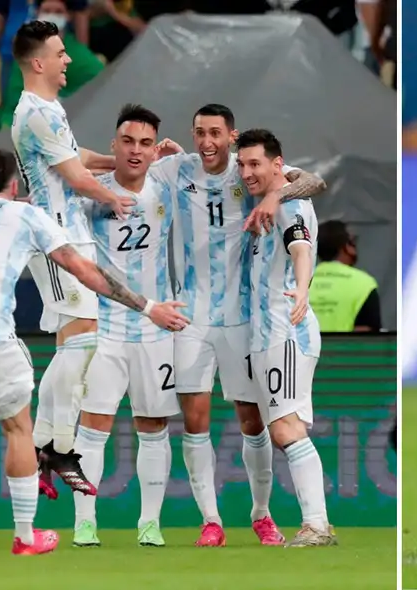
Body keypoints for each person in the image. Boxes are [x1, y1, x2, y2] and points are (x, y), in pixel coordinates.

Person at [0, 149, 188, 555]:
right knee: (19, 430)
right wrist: (148, 306)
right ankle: (26, 536)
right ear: (14, 185)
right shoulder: (26, 216)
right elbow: (83, 270)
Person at [149, 104, 326, 547]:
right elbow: (126, 174)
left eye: (215, 133)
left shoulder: (260, 178)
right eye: (198, 133)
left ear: (232, 135)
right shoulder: (177, 169)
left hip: (248, 322)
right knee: (195, 420)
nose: (206, 142)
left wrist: (274, 196)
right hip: (191, 316)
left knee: (258, 422)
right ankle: (211, 520)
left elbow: (312, 184)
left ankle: (264, 515)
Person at [10, 19, 138, 499]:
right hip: (55, 237)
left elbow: (74, 157)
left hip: (69, 234)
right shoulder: (35, 113)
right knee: (81, 339)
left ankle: (48, 447)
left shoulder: (47, 108)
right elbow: (74, 175)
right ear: (38, 62)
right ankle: (54, 445)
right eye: (61, 53)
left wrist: (119, 164)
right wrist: (117, 197)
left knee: (78, 339)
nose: (68, 59)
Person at [71, 104, 179, 548]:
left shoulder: (169, 188)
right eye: (128, 142)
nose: (136, 151)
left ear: (156, 150)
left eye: (145, 144)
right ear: (114, 145)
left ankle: (149, 522)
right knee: (91, 428)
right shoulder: (89, 193)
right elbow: (52, 161)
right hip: (106, 327)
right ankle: (84, 522)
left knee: (153, 428)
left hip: (157, 330)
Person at [238, 128, 335, 548]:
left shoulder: (291, 206)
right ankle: (313, 523)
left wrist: (302, 285)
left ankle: (316, 524)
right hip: (265, 334)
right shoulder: (269, 199)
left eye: (255, 163)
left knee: (286, 428)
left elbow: (300, 247)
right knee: (278, 427)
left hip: (287, 330)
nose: (246, 172)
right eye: (242, 164)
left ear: (278, 165)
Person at [0, 0, 104, 128]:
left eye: (58, 12)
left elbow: (101, 88)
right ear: (37, 13)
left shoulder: (81, 57)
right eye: (47, 11)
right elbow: (15, 97)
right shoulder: (26, 53)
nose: (52, 16)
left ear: (68, 15)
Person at [309, 220, 381, 332]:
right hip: (347, 350)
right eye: (354, 241)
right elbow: (367, 339)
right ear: (347, 246)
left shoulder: (297, 283)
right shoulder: (364, 284)